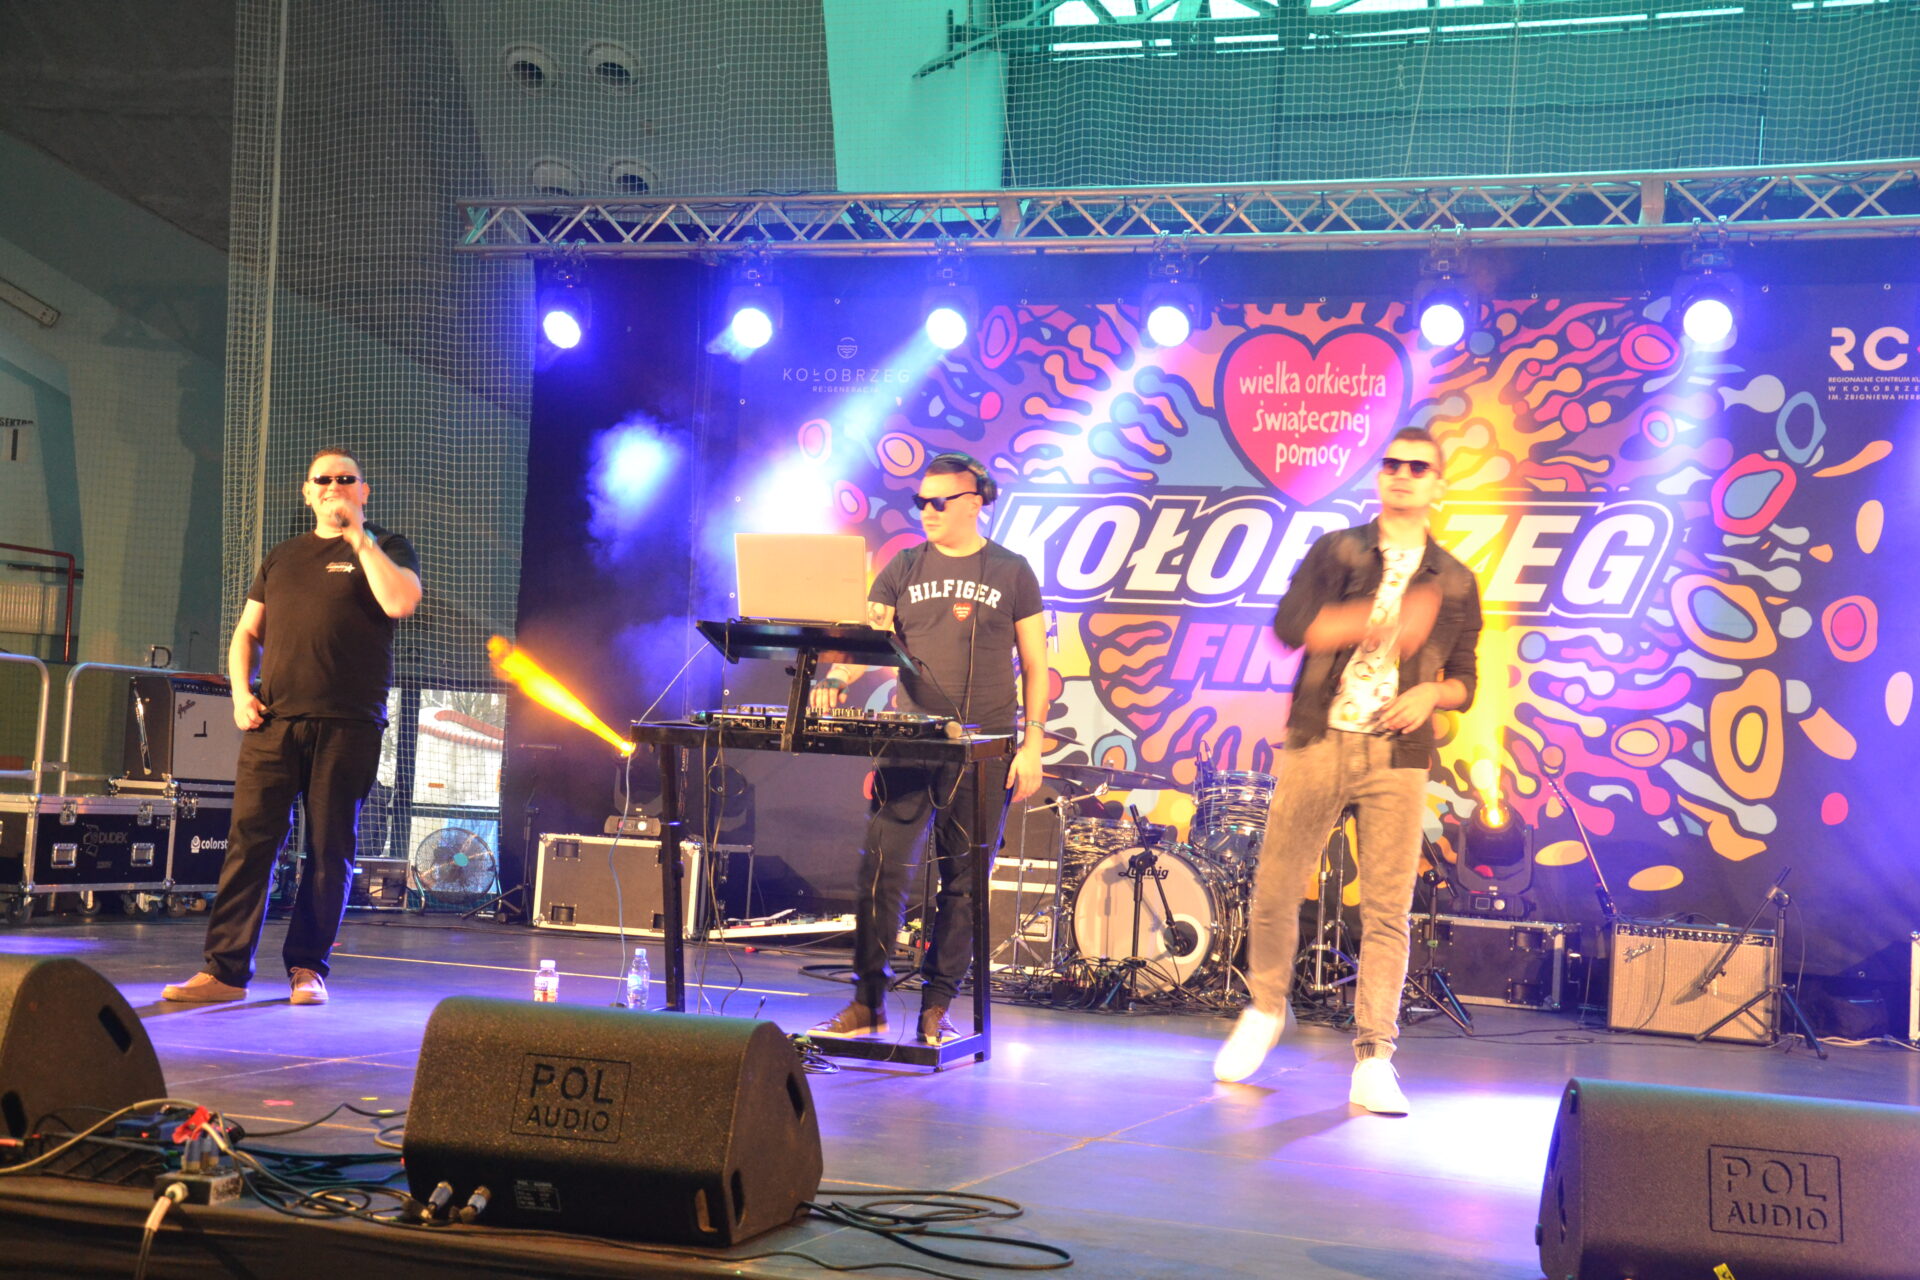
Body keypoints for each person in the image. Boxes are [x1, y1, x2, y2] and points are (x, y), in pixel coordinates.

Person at [1213, 426, 1482, 1113]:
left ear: (1438, 484)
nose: (1402, 474)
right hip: (1321, 737)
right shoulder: (1338, 550)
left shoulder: (1455, 580)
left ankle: (1375, 1057)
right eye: (1392, 464)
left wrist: (1431, 692)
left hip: (1398, 754)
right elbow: (1289, 626)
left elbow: (1466, 681)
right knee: (1277, 884)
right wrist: (1376, 620)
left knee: (1387, 909)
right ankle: (1265, 1008)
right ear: (1379, 476)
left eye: (1418, 467)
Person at [163, 447, 422, 1006]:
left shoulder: (387, 546)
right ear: (307, 492)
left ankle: (307, 969)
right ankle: (224, 972)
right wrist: (240, 694)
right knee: (249, 845)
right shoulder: (282, 557)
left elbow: (400, 602)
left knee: (329, 851)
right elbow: (247, 633)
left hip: (347, 726)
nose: (333, 486)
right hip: (274, 723)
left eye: (345, 478)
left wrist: (358, 538)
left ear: (363, 491)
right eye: (322, 479)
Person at [806, 452, 1049, 1046]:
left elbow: (1036, 665)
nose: (927, 511)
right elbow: (870, 642)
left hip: (986, 748)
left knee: (963, 883)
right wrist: (834, 679)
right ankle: (867, 1002)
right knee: (880, 869)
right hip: (911, 742)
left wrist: (1033, 744)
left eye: (940, 501)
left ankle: (937, 1007)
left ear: (975, 502)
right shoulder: (903, 567)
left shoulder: (1013, 570)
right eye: (921, 501)